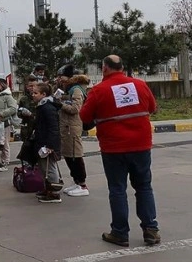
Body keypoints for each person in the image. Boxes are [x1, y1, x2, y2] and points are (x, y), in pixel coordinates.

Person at [80, 55, 160, 247]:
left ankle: (120, 233)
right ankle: (151, 230)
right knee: (144, 187)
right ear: (122, 67)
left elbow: (84, 117)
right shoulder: (140, 85)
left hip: (114, 148)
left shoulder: (99, 90)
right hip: (141, 146)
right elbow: (152, 108)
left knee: (117, 189)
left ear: (104, 68)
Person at [55, 64, 91, 197]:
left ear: (69, 77)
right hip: (65, 127)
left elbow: (76, 109)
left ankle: (82, 184)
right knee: (69, 155)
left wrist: (60, 104)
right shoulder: (66, 88)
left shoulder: (76, 90)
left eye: (61, 76)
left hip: (73, 127)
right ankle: (76, 182)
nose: (59, 79)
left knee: (76, 155)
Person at [32, 82, 63, 203]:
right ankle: (48, 189)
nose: (33, 95)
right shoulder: (42, 106)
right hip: (42, 142)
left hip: (47, 144)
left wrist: (50, 146)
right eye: (32, 93)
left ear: (44, 94)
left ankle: (54, 193)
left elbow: (53, 128)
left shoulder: (47, 107)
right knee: (44, 168)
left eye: (36, 93)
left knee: (50, 168)